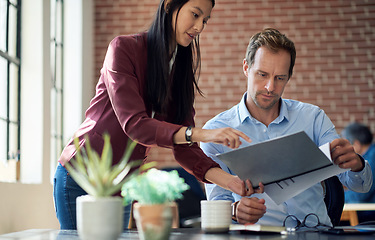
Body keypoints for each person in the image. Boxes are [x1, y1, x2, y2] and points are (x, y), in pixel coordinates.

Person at [53, 0, 260, 230]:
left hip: (123, 184)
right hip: (80, 174)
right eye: (195, 14)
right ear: (170, 5)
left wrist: (233, 183)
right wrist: (204, 134)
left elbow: (186, 150)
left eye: (205, 20)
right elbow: (135, 126)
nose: (200, 26)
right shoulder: (123, 49)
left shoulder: (180, 72)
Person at [201, 28, 372, 227]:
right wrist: (234, 211)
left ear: (289, 76)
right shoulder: (216, 131)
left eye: (280, 78)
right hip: (256, 237)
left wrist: (356, 164)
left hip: (316, 233)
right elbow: (216, 204)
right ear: (246, 68)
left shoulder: (313, 118)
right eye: (262, 75)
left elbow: (361, 186)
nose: (270, 87)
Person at [342, 122, 375, 223]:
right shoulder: (369, 155)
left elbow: (361, 194)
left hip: (369, 215)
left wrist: (338, 197)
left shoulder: (371, 158)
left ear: (356, 144)